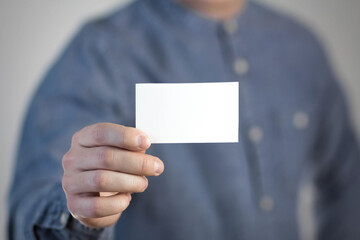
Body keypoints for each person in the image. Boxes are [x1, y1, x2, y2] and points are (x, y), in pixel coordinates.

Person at [8, 0, 360, 239]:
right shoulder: (100, 50)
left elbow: (349, 182)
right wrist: (77, 212)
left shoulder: (301, 46)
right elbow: (27, 215)